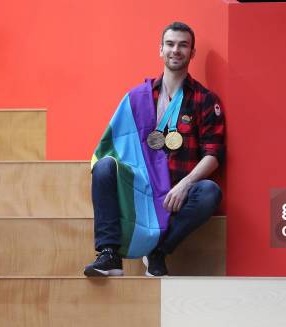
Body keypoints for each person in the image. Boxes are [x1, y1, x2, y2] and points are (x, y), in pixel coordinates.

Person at [84, 22, 225, 277]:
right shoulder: (138, 97)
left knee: (209, 192)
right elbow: (115, 146)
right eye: (170, 44)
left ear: (192, 53)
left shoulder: (204, 100)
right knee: (104, 165)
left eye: (183, 45)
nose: (176, 50)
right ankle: (109, 255)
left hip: (175, 193)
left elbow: (213, 155)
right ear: (160, 50)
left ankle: (158, 251)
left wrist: (185, 185)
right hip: (140, 188)